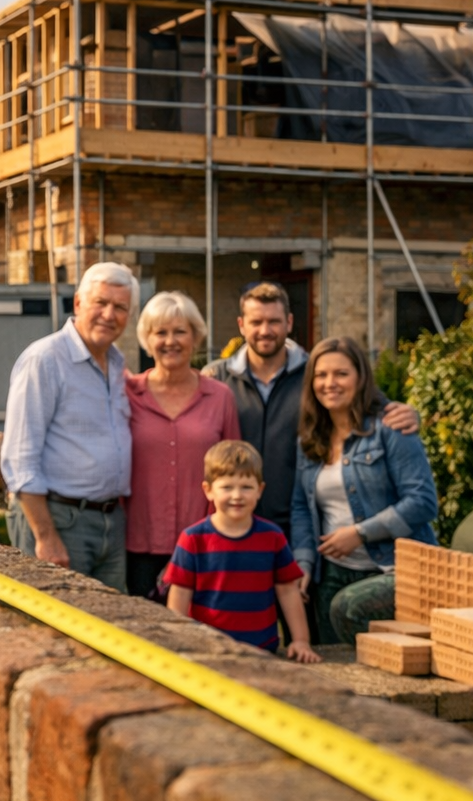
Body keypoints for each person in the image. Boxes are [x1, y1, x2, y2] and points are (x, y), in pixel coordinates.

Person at [203, 282, 418, 539]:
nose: (265, 330)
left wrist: (411, 414)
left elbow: (371, 404)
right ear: (241, 325)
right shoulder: (217, 379)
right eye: (256, 322)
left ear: (289, 322)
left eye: (274, 321)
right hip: (233, 526)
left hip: (302, 526)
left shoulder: (315, 376)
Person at [290, 337, 439, 645]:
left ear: (360, 377)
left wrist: (359, 533)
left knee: (354, 617)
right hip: (331, 571)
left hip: (391, 568)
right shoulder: (310, 439)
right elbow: (301, 508)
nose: (330, 383)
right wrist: (303, 563)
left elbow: (423, 502)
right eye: (321, 375)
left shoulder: (391, 428)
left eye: (341, 374)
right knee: (337, 669)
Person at [1, 262, 136, 592]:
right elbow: (19, 459)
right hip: (60, 520)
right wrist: (46, 536)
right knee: (58, 633)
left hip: (110, 523)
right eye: (100, 303)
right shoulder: (45, 360)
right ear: (77, 303)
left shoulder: (117, 364)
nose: (109, 314)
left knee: (111, 628)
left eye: (120, 307)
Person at [123, 292, 240, 598]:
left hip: (204, 542)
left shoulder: (220, 397)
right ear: (147, 340)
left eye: (180, 331)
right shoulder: (127, 394)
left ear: (195, 337)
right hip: (138, 543)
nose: (170, 341)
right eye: (160, 332)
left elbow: (234, 470)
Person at [165, 441, 317, 662]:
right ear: (208, 490)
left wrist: (301, 640)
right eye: (227, 487)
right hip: (208, 649)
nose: (237, 495)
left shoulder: (272, 537)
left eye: (246, 487)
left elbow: (288, 591)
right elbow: (179, 595)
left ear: (259, 490)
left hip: (262, 650)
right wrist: (178, 642)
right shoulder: (192, 539)